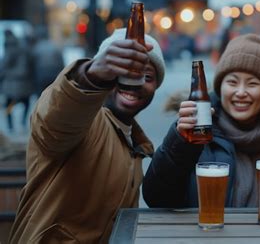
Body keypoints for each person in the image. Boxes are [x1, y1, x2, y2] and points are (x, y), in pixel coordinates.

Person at [8, 28, 166, 243]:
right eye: (122, 71)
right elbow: (56, 121)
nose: (133, 82)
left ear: (156, 87)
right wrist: (90, 76)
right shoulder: (83, 120)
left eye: (147, 76)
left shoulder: (136, 143)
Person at [142, 34, 260, 208]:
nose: (241, 92)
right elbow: (156, 198)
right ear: (220, 87)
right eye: (232, 82)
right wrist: (178, 143)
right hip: (207, 234)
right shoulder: (196, 132)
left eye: (252, 84)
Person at [1, 29, 34, 133]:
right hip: (24, 80)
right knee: (26, 103)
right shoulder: (22, 45)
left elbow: (5, 63)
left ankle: (11, 125)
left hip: (11, 81)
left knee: (9, 104)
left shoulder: (9, 46)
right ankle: (23, 121)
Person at [31, 26, 65, 97]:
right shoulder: (54, 46)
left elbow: (32, 63)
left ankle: (41, 107)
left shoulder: (37, 47)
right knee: (52, 94)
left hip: (41, 74)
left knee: (41, 95)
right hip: (54, 73)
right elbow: (61, 62)